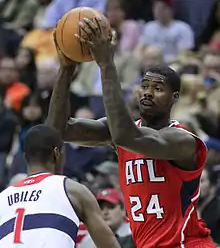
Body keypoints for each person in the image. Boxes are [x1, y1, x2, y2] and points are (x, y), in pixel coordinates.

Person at [47, 23, 216, 247]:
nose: (148, 92)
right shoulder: (120, 131)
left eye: (158, 88)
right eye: (144, 86)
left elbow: (129, 137)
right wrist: (66, 69)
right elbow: (57, 131)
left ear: (174, 97)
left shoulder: (182, 140)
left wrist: (106, 63)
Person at [0, 125, 120, 248]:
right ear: (57, 154)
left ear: (25, 156)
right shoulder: (72, 190)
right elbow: (109, 245)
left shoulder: (2, 197)